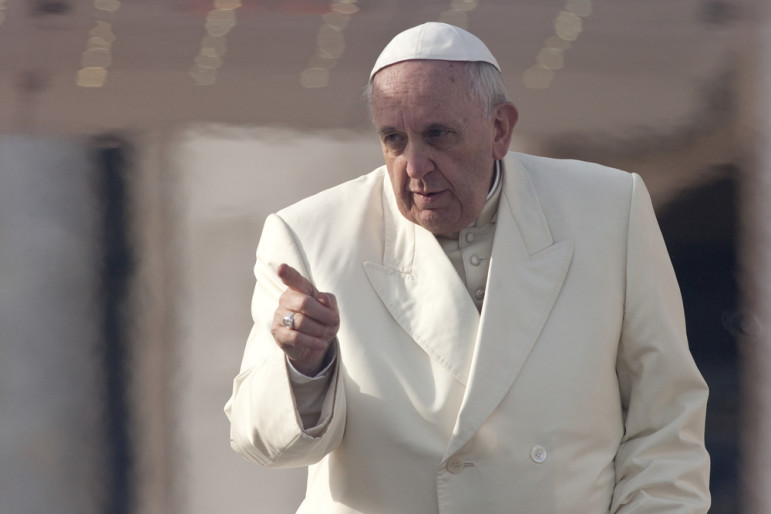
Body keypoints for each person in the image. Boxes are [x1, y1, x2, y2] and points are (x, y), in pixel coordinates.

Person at [225, 22, 711, 513]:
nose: (415, 165)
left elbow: (666, 419)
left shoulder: (608, 210)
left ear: (499, 129)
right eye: (394, 139)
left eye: (437, 135)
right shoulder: (307, 236)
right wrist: (304, 367)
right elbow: (259, 444)